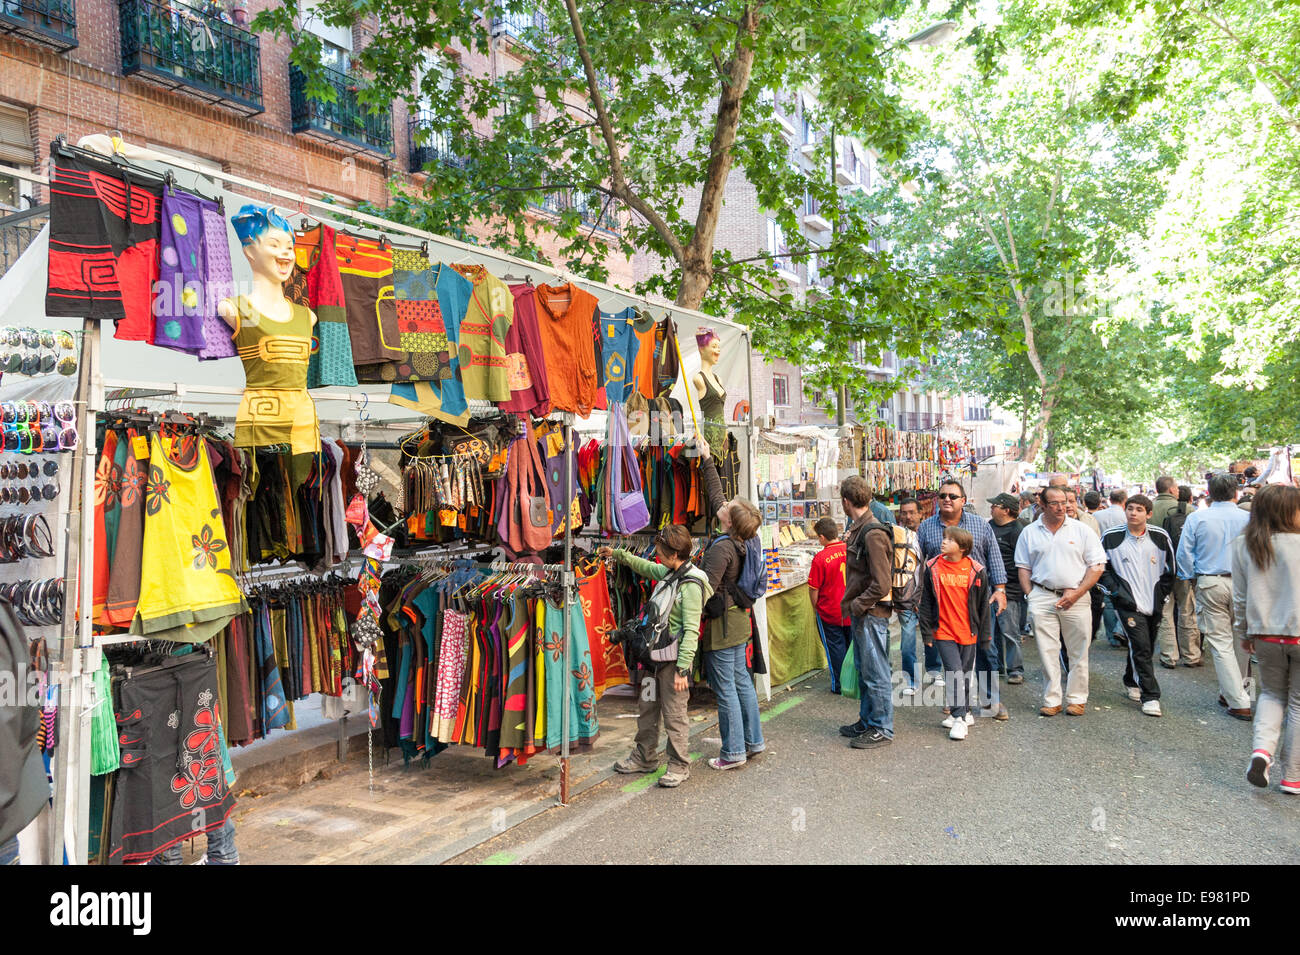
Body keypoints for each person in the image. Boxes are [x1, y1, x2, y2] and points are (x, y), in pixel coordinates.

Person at [604, 525, 713, 788]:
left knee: (674, 714)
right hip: (652, 660)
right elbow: (646, 567)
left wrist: (683, 669)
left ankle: (678, 764)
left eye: (662, 551)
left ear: (674, 553)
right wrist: (618, 554)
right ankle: (644, 756)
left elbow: (691, 630)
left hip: (672, 663)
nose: (658, 556)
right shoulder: (669, 573)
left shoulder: (691, 584)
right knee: (647, 708)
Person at [696, 440, 765, 770]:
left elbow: (705, 589)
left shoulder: (722, 550)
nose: (724, 504)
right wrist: (708, 459)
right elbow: (716, 496)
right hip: (740, 621)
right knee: (741, 683)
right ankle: (753, 741)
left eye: (728, 506)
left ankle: (733, 751)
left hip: (723, 626)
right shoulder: (746, 538)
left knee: (725, 690)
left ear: (728, 520)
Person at [916, 480, 1009, 720]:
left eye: (953, 496)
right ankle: (957, 704)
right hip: (944, 606)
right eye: (943, 495)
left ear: (963, 501)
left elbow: (994, 559)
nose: (947, 499)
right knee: (951, 659)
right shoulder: (926, 528)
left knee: (986, 653)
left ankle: (990, 701)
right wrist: (918, 597)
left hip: (977, 604)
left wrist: (1000, 590)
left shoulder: (980, 526)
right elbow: (919, 565)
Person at [1014, 485, 1107, 716]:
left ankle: (1076, 698)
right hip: (1042, 596)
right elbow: (1023, 567)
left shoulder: (1081, 530)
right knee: (1047, 651)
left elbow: (1097, 566)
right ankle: (1051, 698)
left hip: (1076, 597)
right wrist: (1031, 595)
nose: (1060, 507)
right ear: (1042, 505)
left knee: (1078, 651)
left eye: (1064, 502)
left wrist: (1076, 593)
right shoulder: (1030, 532)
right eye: (1054, 503)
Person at [1233, 485, 1300, 793]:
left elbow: (1241, 597)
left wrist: (1244, 631)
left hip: (1265, 633)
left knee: (1272, 695)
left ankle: (1262, 752)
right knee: (1298, 705)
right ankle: (1292, 776)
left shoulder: (1244, 545)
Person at [1176, 473, 1253, 721]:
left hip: (1211, 580)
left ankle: (1237, 698)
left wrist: (1189, 577)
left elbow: (1184, 552)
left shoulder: (1198, 518)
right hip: (1245, 583)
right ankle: (1235, 692)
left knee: (1220, 642)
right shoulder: (1249, 518)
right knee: (1240, 638)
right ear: (1236, 493)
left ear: (1209, 493)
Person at [1099, 494, 1176, 717]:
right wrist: (1116, 593)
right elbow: (1102, 568)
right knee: (1140, 646)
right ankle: (1150, 696)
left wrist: (1162, 594)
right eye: (1130, 508)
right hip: (1127, 603)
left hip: (1154, 601)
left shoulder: (1160, 537)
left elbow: (1171, 569)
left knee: (1146, 645)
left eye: (1139, 509)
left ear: (1148, 514)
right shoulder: (1111, 537)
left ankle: (1131, 679)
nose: (1133, 513)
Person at [919, 527, 994, 740]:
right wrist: (926, 633)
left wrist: (986, 635)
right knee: (954, 672)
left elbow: (983, 607)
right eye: (944, 538)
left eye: (950, 540)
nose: (944, 542)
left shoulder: (976, 570)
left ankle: (965, 711)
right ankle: (959, 718)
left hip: (968, 632)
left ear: (962, 548)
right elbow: (926, 602)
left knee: (965, 674)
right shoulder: (932, 567)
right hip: (943, 631)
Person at [838, 474, 896, 748]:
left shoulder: (872, 533)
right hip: (865, 612)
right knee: (865, 671)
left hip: (872, 614)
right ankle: (868, 720)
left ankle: (882, 727)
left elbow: (882, 582)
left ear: (846, 501)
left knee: (876, 672)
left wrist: (859, 605)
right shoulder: (862, 528)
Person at [1157, 483, 1202, 668]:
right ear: (1172, 489)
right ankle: (1191, 654)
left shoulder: (1148, 509)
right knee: (1187, 610)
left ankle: (1169, 655)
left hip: (1159, 569)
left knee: (1165, 612)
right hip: (1183, 569)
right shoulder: (1189, 510)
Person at [896, 497, 936, 692]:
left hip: (929, 596)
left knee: (933, 635)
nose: (908, 516)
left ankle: (935, 671)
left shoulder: (927, 534)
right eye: (904, 512)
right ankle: (911, 681)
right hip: (906, 598)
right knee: (907, 643)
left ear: (921, 513)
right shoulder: (897, 535)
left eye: (912, 512)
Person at [809, 517, 851, 694]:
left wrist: (815, 606)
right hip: (850, 609)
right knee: (851, 647)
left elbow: (813, 589)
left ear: (822, 537)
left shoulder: (820, 558)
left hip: (829, 611)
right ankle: (853, 682)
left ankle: (839, 684)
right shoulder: (850, 550)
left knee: (835, 648)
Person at [987, 493, 1026, 684]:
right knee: (991, 631)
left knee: (1009, 631)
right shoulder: (989, 527)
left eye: (995, 505)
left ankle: (1015, 669)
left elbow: (1022, 563)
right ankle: (997, 666)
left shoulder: (1018, 531)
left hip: (1010, 589)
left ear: (1006, 510)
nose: (991, 508)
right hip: (989, 587)